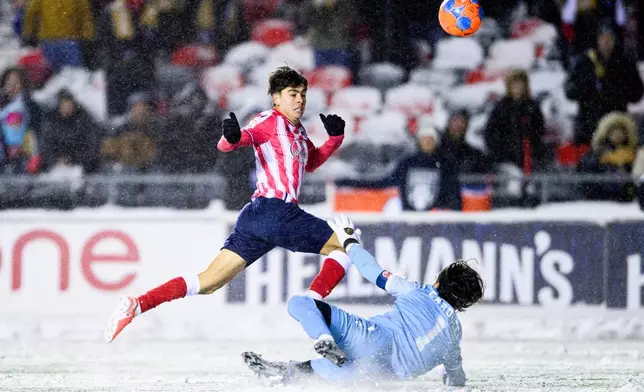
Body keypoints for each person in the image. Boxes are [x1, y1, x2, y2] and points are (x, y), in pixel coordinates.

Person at [104, 66, 353, 342]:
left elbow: (312, 162)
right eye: (293, 94)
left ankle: (137, 304)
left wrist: (334, 140)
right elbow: (231, 143)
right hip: (277, 211)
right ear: (276, 98)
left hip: (258, 217)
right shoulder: (267, 121)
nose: (300, 101)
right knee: (345, 247)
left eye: (303, 95)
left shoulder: (297, 130)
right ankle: (311, 305)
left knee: (208, 282)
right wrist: (231, 137)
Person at [243, 215, 484, 386]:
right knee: (323, 374)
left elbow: (371, 271)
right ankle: (283, 371)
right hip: (380, 376)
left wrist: (350, 242)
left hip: (372, 339)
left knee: (300, 303)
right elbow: (456, 380)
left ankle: (323, 338)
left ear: (439, 283)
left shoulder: (417, 292)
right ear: (464, 303)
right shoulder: (454, 338)